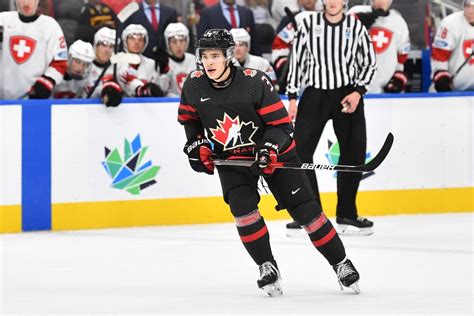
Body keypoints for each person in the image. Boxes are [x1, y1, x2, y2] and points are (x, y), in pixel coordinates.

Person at [178, 29, 361, 296]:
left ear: (229, 55)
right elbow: (190, 120)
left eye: (215, 55)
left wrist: (268, 149)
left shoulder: (254, 82)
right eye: (205, 56)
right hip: (232, 159)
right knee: (242, 210)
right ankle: (267, 266)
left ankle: (341, 263)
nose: (209, 62)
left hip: (276, 155)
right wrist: (196, 144)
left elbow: (282, 126)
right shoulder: (194, 84)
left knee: (307, 214)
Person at [285, 0, 377, 236]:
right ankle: (311, 214)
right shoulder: (309, 24)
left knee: (354, 152)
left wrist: (358, 91)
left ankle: (347, 214)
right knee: (300, 152)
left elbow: (369, 62)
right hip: (315, 94)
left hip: (347, 94)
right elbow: (297, 60)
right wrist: (292, 97)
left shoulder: (355, 27)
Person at [0, 0, 67, 99]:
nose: (26, 3)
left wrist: (46, 83)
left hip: (33, 100)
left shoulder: (50, 26)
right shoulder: (3, 20)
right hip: (3, 99)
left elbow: (60, 62)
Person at [348, 0, 410, 94]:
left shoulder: (399, 22)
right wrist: (356, 25)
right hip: (355, 88)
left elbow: (402, 55)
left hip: (384, 90)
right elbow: (340, 38)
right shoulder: (356, 12)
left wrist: (398, 76)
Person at [271, 0, 320, 93]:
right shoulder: (293, 19)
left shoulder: (327, 18)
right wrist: (286, 64)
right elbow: (280, 44)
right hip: (295, 75)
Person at [430, 0, 474, 92]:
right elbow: (439, 54)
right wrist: (441, 77)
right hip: (451, 94)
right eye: (467, 6)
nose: (470, 10)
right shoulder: (450, 23)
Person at [197, 0, 261, 55]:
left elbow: (254, 40)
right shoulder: (208, 13)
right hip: (218, 61)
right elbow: (202, 40)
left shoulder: (247, 12)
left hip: (244, 62)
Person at [119, 24, 165, 97]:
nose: (137, 42)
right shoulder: (116, 62)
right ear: (125, 41)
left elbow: (159, 90)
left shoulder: (151, 63)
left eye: (140, 39)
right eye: (132, 38)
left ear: (145, 42)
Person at [160, 22, 197, 97]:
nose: (178, 45)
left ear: (187, 41)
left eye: (182, 41)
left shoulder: (193, 59)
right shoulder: (163, 62)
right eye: (174, 41)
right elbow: (162, 90)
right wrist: (164, 72)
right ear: (168, 43)